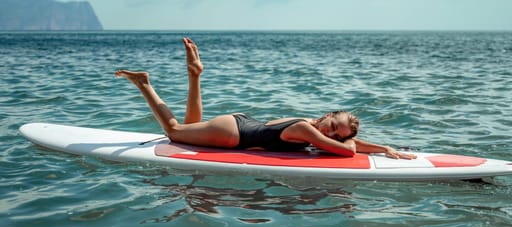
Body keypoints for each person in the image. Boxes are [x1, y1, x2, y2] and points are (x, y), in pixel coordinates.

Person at [115, 38, 416, 160]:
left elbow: (349, 145)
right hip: (234, 134)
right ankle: (143, 83)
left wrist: (385, 148)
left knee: (189, 129)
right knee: (174, 132)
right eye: (333, 124)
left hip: (239, 125)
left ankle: (194, 74)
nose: (330, 131)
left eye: (336, 132)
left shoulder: (311, 126)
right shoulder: (307, 129)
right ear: (327, 115)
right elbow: (346, 152)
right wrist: (350, 145)